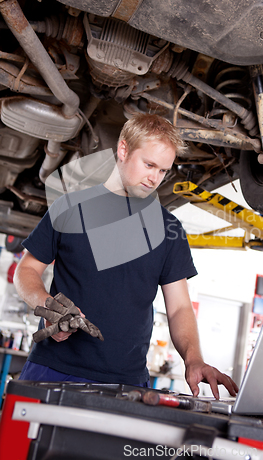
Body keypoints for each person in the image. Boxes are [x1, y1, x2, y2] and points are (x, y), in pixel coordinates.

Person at [14, 113, 238, 399]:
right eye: (149, 165)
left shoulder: (169, 230)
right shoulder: (69, 208)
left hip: (125, 383)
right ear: (123, 150)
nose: (154, 178)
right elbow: (27, 271)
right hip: (51, 369)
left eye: (163, 171)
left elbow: (180, 307)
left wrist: (194, 359)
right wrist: (46, 305)